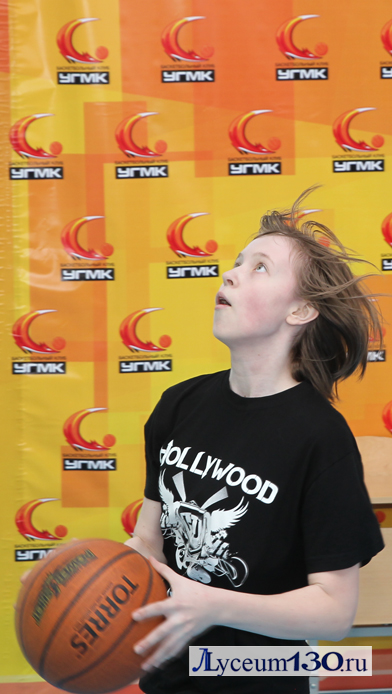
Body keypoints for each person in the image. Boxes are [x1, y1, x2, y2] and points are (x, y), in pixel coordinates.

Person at [126, 188, 385, 694]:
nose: (231, 274)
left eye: (260, 267)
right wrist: (80, 570)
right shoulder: (178, 404)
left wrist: (214, 604)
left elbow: (334, 612)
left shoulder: (320, 438)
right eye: (237, 261)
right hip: (168, 674)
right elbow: (148, 541)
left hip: (260, 677)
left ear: (301, 310)